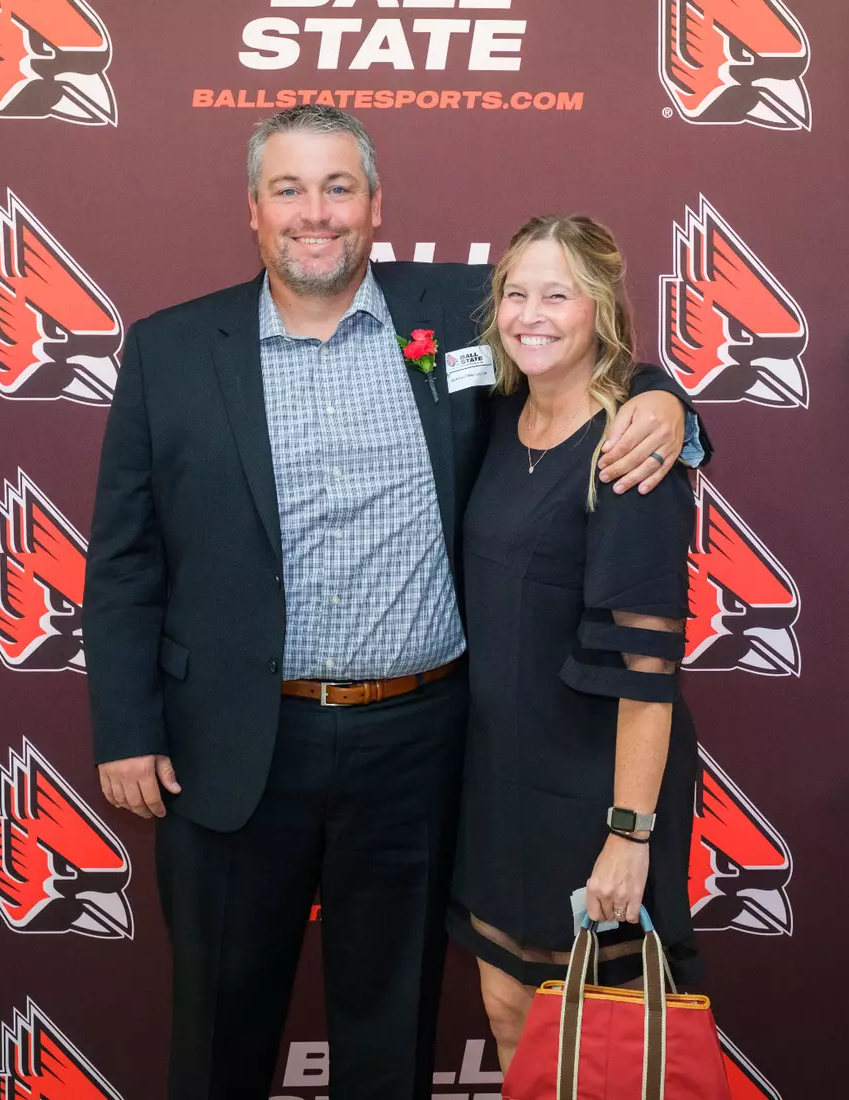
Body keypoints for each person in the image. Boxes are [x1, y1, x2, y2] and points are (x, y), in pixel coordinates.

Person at [83, 105, 700, 1099]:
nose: (314, 213)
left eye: (338, 188)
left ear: (376, 205)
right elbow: (121, 560)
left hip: (417, 746)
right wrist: (125, 725)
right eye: (289, 189)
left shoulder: (459, 312)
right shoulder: (170, 350)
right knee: (215, 1034)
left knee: (391, 1035)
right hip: (232, 746)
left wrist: (668, 402)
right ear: (252, 209)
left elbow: (577, 336)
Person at [447, 215, 703, 1071]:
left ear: (601, 307)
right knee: (510, 1013)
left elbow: (647, 676)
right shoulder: (495, 416)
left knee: (599, 1047)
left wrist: (629, 837)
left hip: (593, 791)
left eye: (558, 294)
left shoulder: (630, 451)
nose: (532, 314)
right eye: (516, 292)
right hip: (497, 784)